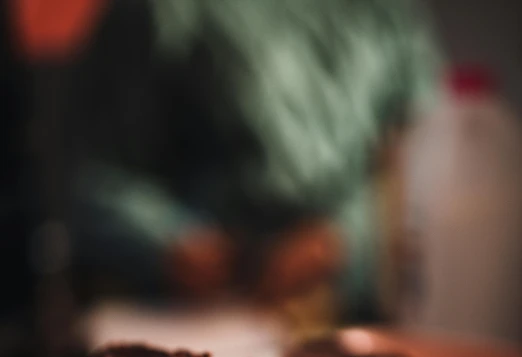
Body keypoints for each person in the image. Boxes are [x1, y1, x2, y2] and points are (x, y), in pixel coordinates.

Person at [9, 0, 441, 320]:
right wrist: (171, 240)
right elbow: (86, 174)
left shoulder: (389, 15)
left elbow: (406, 148)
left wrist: (343, 233)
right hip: (203, 313)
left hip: (354, 312)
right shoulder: (157, 12)